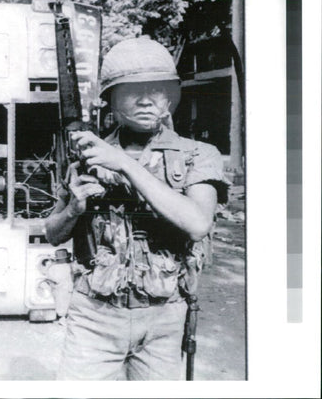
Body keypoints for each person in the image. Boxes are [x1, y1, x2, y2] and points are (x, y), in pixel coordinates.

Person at [45, 37, 229, 381]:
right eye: (132, 91)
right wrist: (74, 208)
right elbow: (53, 233)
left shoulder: (197, 154)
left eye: (157, 89)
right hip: (93, 318)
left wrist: (126, 166)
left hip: (163, 318)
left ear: (170, 98)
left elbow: (197, 223)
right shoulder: (86, 155)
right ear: (112, 101)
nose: (146, 100)